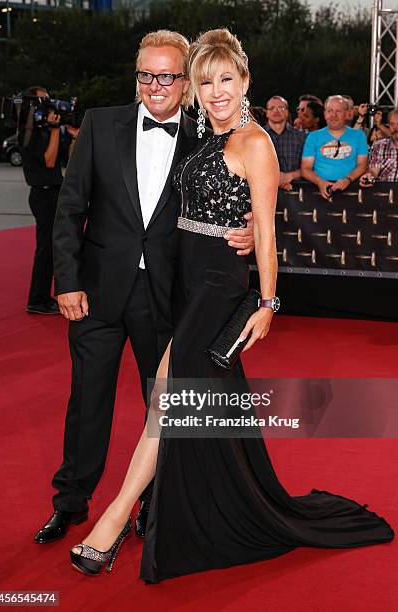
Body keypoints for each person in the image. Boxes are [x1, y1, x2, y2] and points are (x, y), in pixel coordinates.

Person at [69, 29, 394, 583]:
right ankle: (221, 501)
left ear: (245, 82)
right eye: (205, 81)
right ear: (194, 88)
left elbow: (265, 232)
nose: (216, 91)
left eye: (226, 79)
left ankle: (113, 521)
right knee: (182, 404)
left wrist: (266, 303)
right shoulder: (200, 134)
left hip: (218, 287)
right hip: (184, 282)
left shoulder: (255, 143)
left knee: (168, 397)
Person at [33, 31, 254, 546]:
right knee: (87, 402)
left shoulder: (208, 141)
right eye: (146, 75)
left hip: (169, 296)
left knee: (163, 407)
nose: (156, 86)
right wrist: (65, 280)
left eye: (168, 75)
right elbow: (69, 210)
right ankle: (70, 502)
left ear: (187, 81)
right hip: (96, 292)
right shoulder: (99, 124)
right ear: (137, 77)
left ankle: (153, 502)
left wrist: (246, 229)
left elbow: (236, 200)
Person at [20, 86, 78, 315]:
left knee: (54, 247)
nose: (49, 104)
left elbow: (65, 156)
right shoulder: (29, 132)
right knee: (46, 248)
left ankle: (44, 295)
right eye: (43, 101)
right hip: (43, 195)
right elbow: (50, 161)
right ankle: (37, 299)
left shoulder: (43, 129)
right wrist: (55, 130)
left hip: (53, 192)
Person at [301, 95, 368, 200]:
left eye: (338, 111)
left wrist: (347, 180)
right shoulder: (313, 137)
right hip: (319, 191)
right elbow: (305, 168)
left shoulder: (359, 135)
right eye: (330, 111)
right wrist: (320, 182)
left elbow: (362, 165)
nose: (333, 115)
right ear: (324, 114)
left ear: (346, 114)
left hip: (351, 191)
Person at [263, 95, 305, 190]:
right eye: (272, 108)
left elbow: (310, 168)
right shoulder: (258, 137)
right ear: (267, 113)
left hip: (297, 194)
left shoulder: (301, 137)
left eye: (280, 108)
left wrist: (289, 176)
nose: (276, 111)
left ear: (287, 112)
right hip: (264, 192)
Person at [360, 108, 398, 185]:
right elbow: (373, 170)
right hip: (385, 193)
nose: (396, 128)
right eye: (392, 124)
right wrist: (370, 176)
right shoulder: (379, 146)